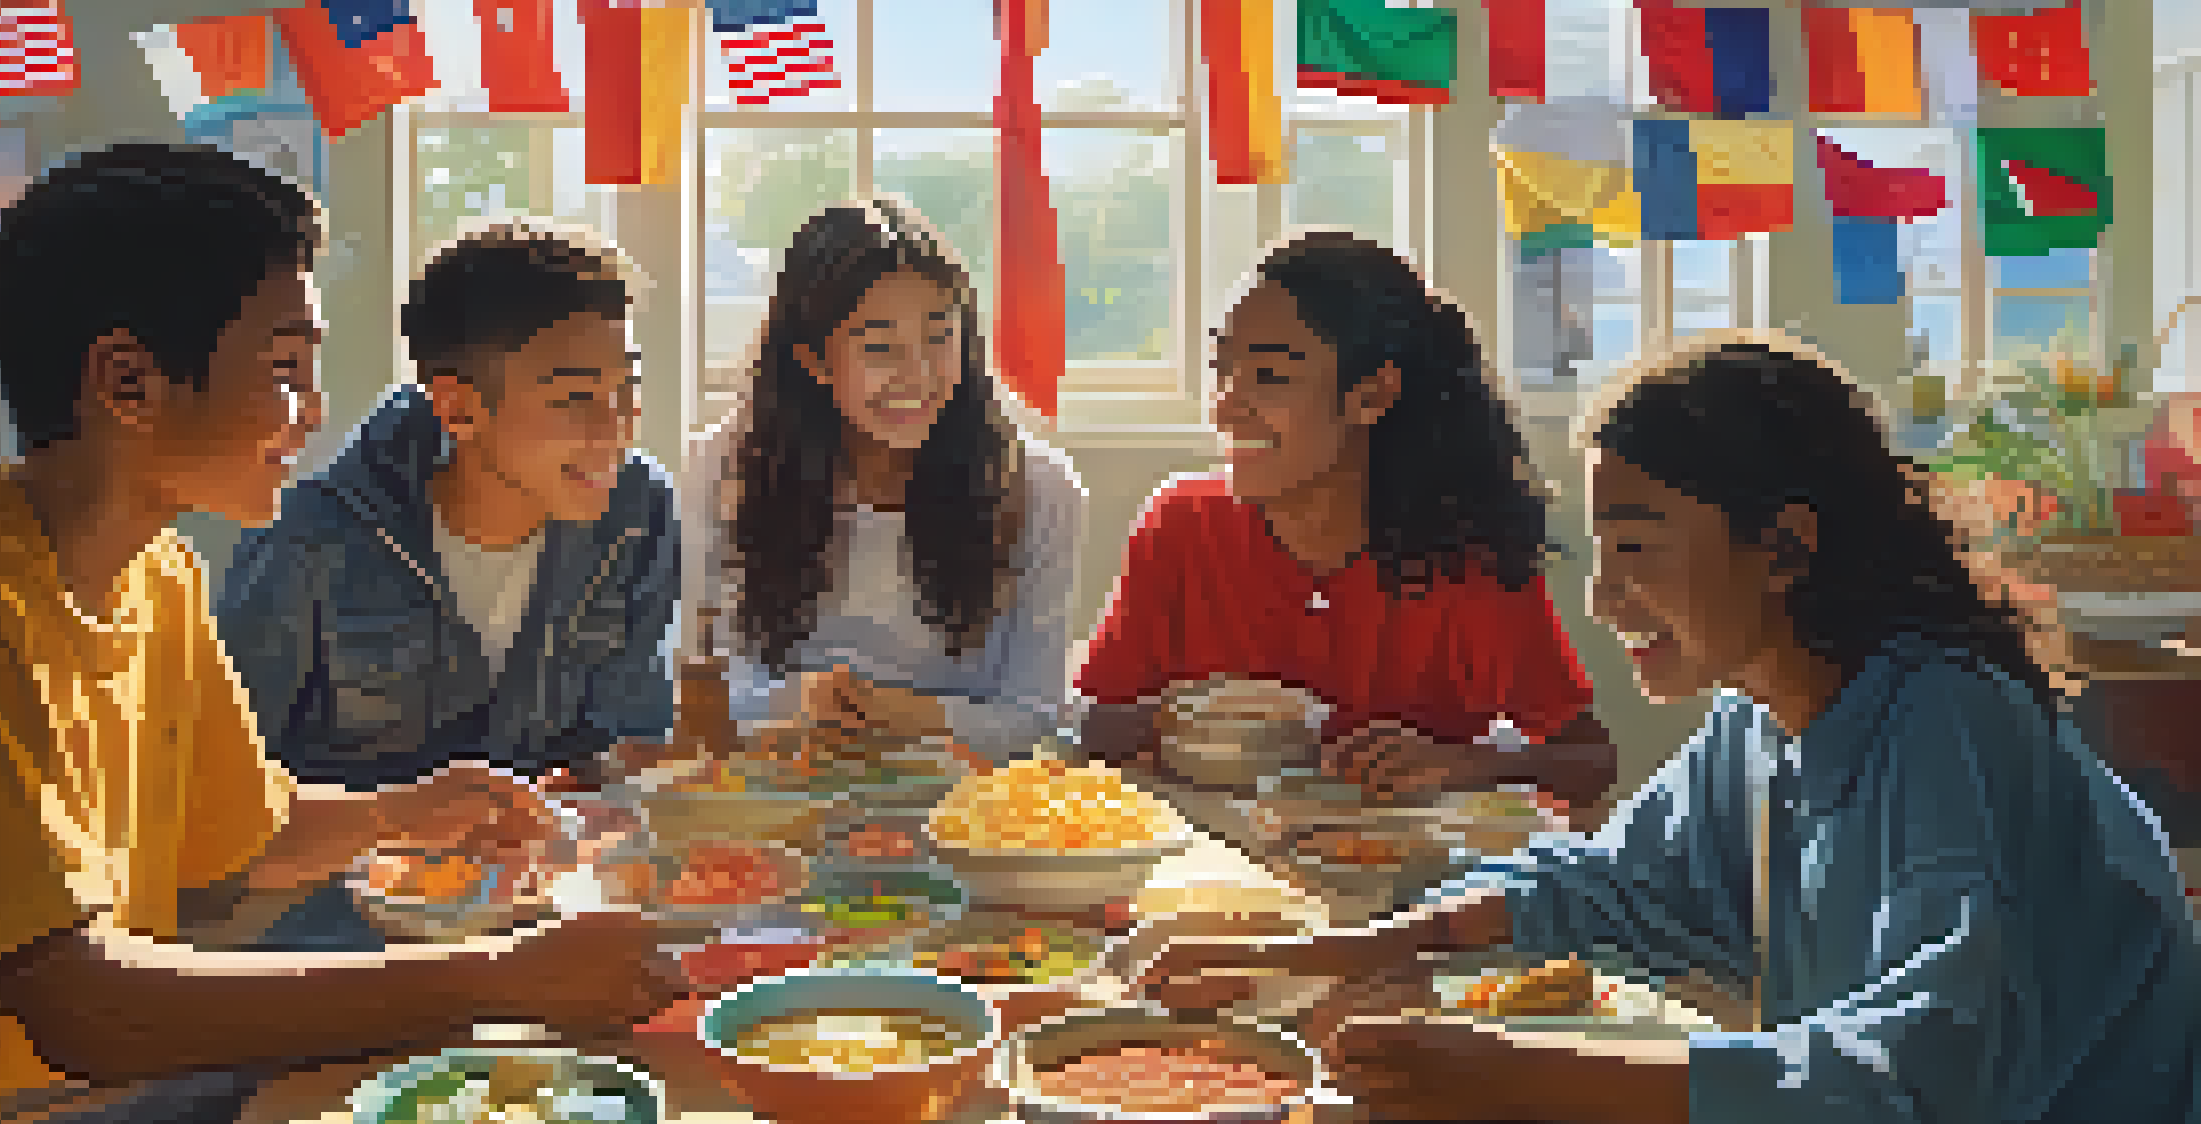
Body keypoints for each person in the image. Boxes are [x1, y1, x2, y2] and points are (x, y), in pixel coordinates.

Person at [0, 144, 676, 1124]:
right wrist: (492, 976)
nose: (312, 412)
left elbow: (242, 837)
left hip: (80, 1103)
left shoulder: (156, 575)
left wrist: (407, 811)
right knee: (426, 1102)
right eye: (284, 369)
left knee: (468, 1099)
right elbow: (85, 1007)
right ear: (128, 381)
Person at [1144, 337, 2201, 1124]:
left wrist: (1513, 1073)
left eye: (1638, 547)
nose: (1604, 602)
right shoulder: (1763, 716)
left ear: (1784, 547)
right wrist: (1337, 951)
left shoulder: (1951, 720)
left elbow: (1912, 1076)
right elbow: (1608, 886)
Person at [216, 221, 677, 951]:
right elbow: (215, 818)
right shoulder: (308, 541)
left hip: (541, 918)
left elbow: (622, 742)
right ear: (459, 408)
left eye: (628, 389)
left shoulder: (637, 511)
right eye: (574, 399)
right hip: (340, 942)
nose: (615, 428)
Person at [1077, 231, 1616, 824]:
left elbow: (1590, 759)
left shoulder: (1468, 560)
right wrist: (1184, 715)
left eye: (1269, 376)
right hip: (1213, 881)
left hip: (1409, 886)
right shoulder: (1180, 523)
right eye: (1222, 370)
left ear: (1374, 393)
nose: (1225, 407)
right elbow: (1090, 724)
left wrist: (1468, 764)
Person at [682, 199, 1085, 765]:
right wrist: (799, 705)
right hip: (772, 801)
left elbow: (1040, 724)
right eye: (879, 347)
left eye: (940, 337)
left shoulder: (1039, 489)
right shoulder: (726, 467)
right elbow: (704, 693)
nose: (918, 376)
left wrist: (898, 713)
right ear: (812, 361)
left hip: (959, 815)